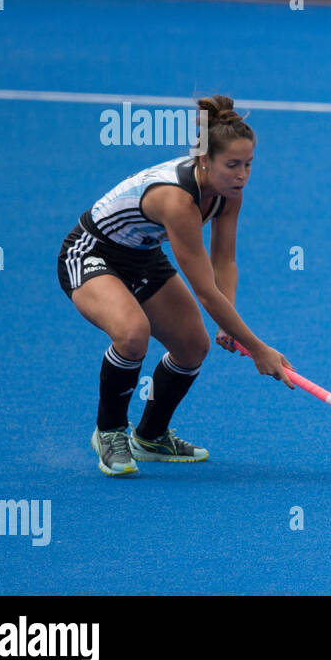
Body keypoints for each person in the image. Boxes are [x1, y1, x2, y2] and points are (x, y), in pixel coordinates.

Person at [58, 95, 294, 476]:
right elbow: (203, 291)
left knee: (193, 346)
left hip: (141, 256)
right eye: (232, 165)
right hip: (91, 253)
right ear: (205, 160)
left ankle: (150, 436)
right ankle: (110, 432)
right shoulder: (178, 201)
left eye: (248, 165)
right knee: (133, 333)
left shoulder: (228, 194)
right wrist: (259, 349)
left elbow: (224, 261)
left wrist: (226, 321)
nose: (242, 175)